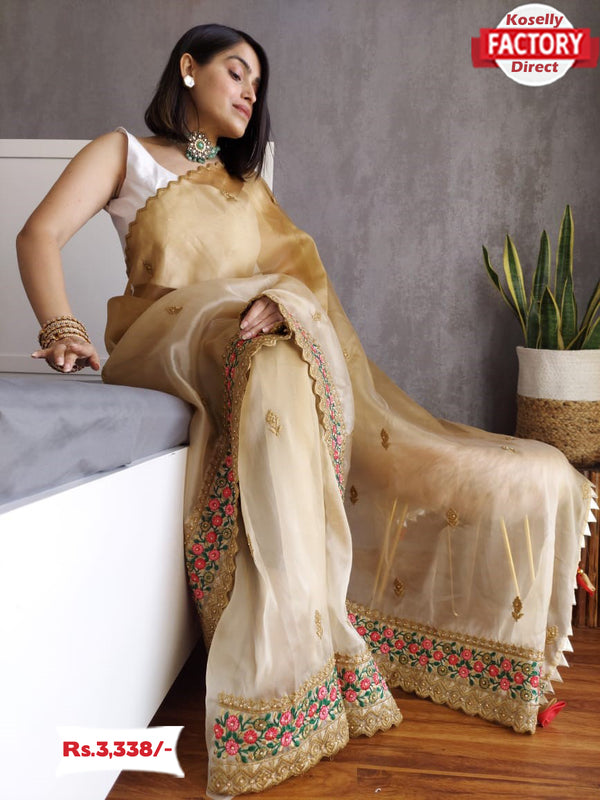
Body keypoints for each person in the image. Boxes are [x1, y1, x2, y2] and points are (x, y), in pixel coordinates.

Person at [17, 23, 595, 799]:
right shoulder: (126, 153)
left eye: (258, 83)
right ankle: (278, 681)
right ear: (187, 68)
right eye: (235, 71)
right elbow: (39, 234)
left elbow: (300, 282)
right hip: (165, 339)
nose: (250, 92)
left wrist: (281, 301)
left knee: (281, 351)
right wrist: (62, 326)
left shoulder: (249, 188)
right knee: (261, 339)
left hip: (244, 346)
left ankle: (307, 641)